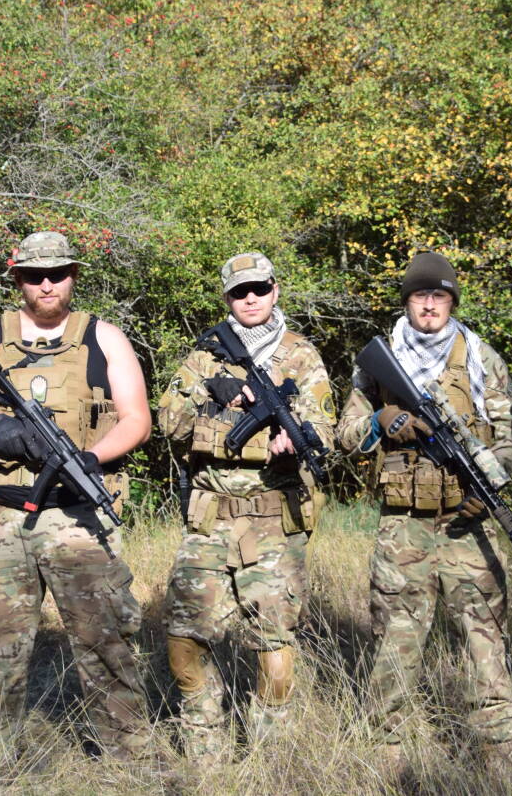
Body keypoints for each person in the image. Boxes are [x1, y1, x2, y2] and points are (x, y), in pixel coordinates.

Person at [0, 231, 153, 760]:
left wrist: (93, 458)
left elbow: (137, 420)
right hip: (0, 516)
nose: (47, 284)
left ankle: (128, 754)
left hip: (78, 514)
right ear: (19, 279)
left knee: (104, 638)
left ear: (73, 276)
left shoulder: (104, 338)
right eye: (35, 276)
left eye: (57, 274)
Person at [335, 252, 512, 766]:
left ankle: (498, 750)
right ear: (407, 301)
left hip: (467, 522)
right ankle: (387, 749)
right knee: (396, 637)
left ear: (452, 301)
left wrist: (491, 483)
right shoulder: (377, 363)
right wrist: (381, 421)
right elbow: (345, 435)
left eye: (440, 296)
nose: (430, 305)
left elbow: (509, 438)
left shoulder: (482, 359)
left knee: (484, 635)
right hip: (404, 525)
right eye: (420, 295)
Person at [156, 252, 335, 760]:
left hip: (274, 517)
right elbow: (167, 423)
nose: (250, 298)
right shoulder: (203, 356)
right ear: (227, 298)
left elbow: (325, 430)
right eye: (239, 291)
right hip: (210, 518)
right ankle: (204, 750)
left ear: (275, 290)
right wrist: (215, 395)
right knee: (184, 640)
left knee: (274, 649)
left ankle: (269, 758)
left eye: (259, 288)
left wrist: (296, 439)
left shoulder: (301, 355)